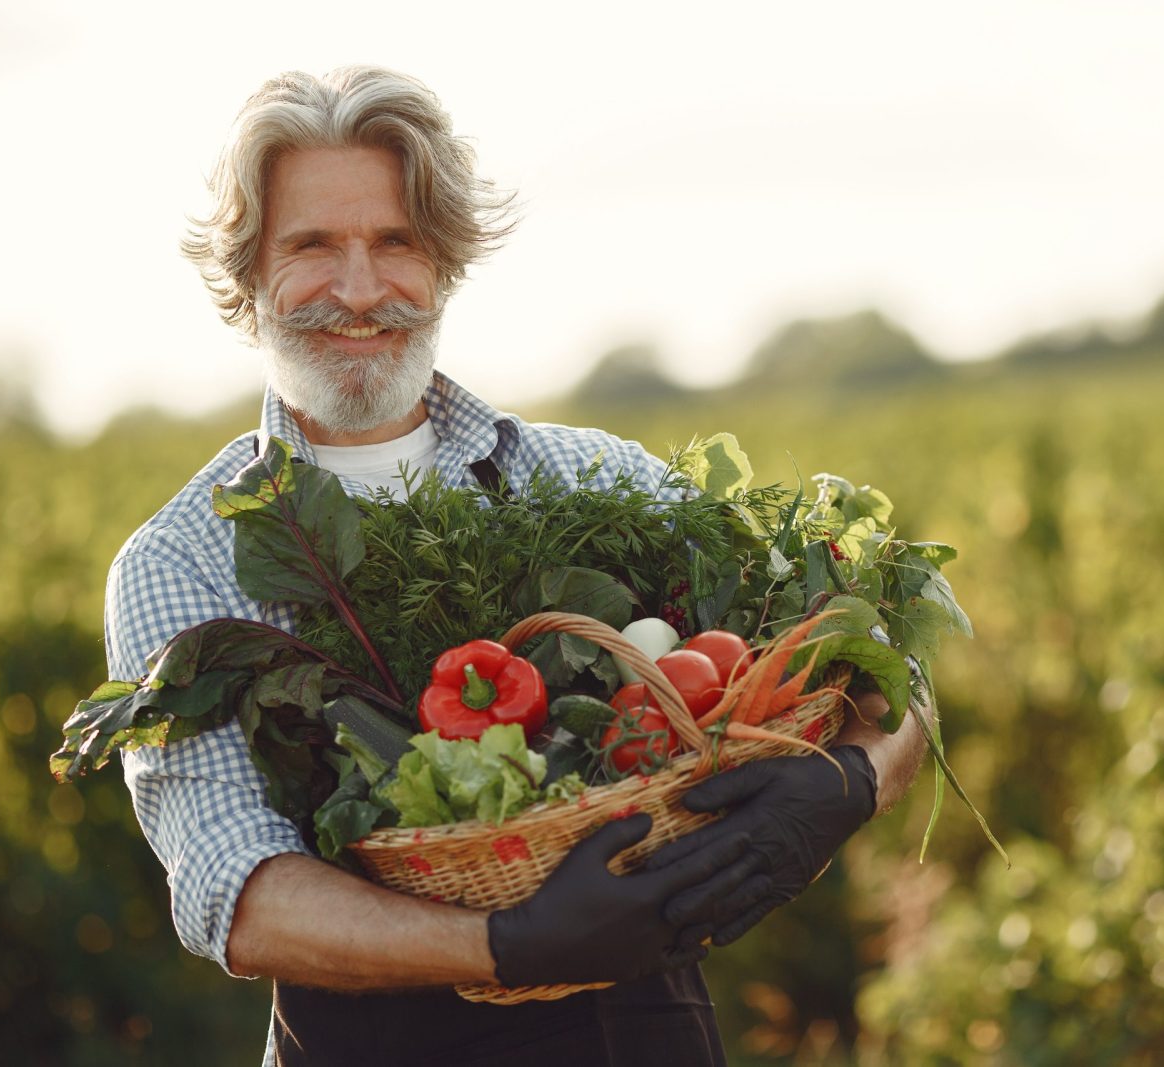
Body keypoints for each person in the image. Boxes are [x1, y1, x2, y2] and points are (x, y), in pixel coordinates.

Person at [107, 65, 929, 1066]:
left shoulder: (592, 475)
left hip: (646, 1030)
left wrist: (848, 782)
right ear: (247, 276)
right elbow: (234, 890)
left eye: (396, 242)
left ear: (444, 262)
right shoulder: (182, 556)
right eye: (312, 245)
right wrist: (505, 943)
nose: (359, 289)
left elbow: (885, 677)